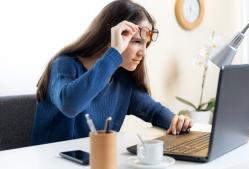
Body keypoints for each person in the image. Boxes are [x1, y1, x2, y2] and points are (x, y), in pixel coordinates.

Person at [32, 0, 193, 145]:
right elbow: (70, 105)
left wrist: (176, 121)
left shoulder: (121, 79)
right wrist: (114, 52)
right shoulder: (63, 65)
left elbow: (154, 111)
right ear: (111, 38)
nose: (143, 52)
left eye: (146, 44)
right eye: (137, 41)